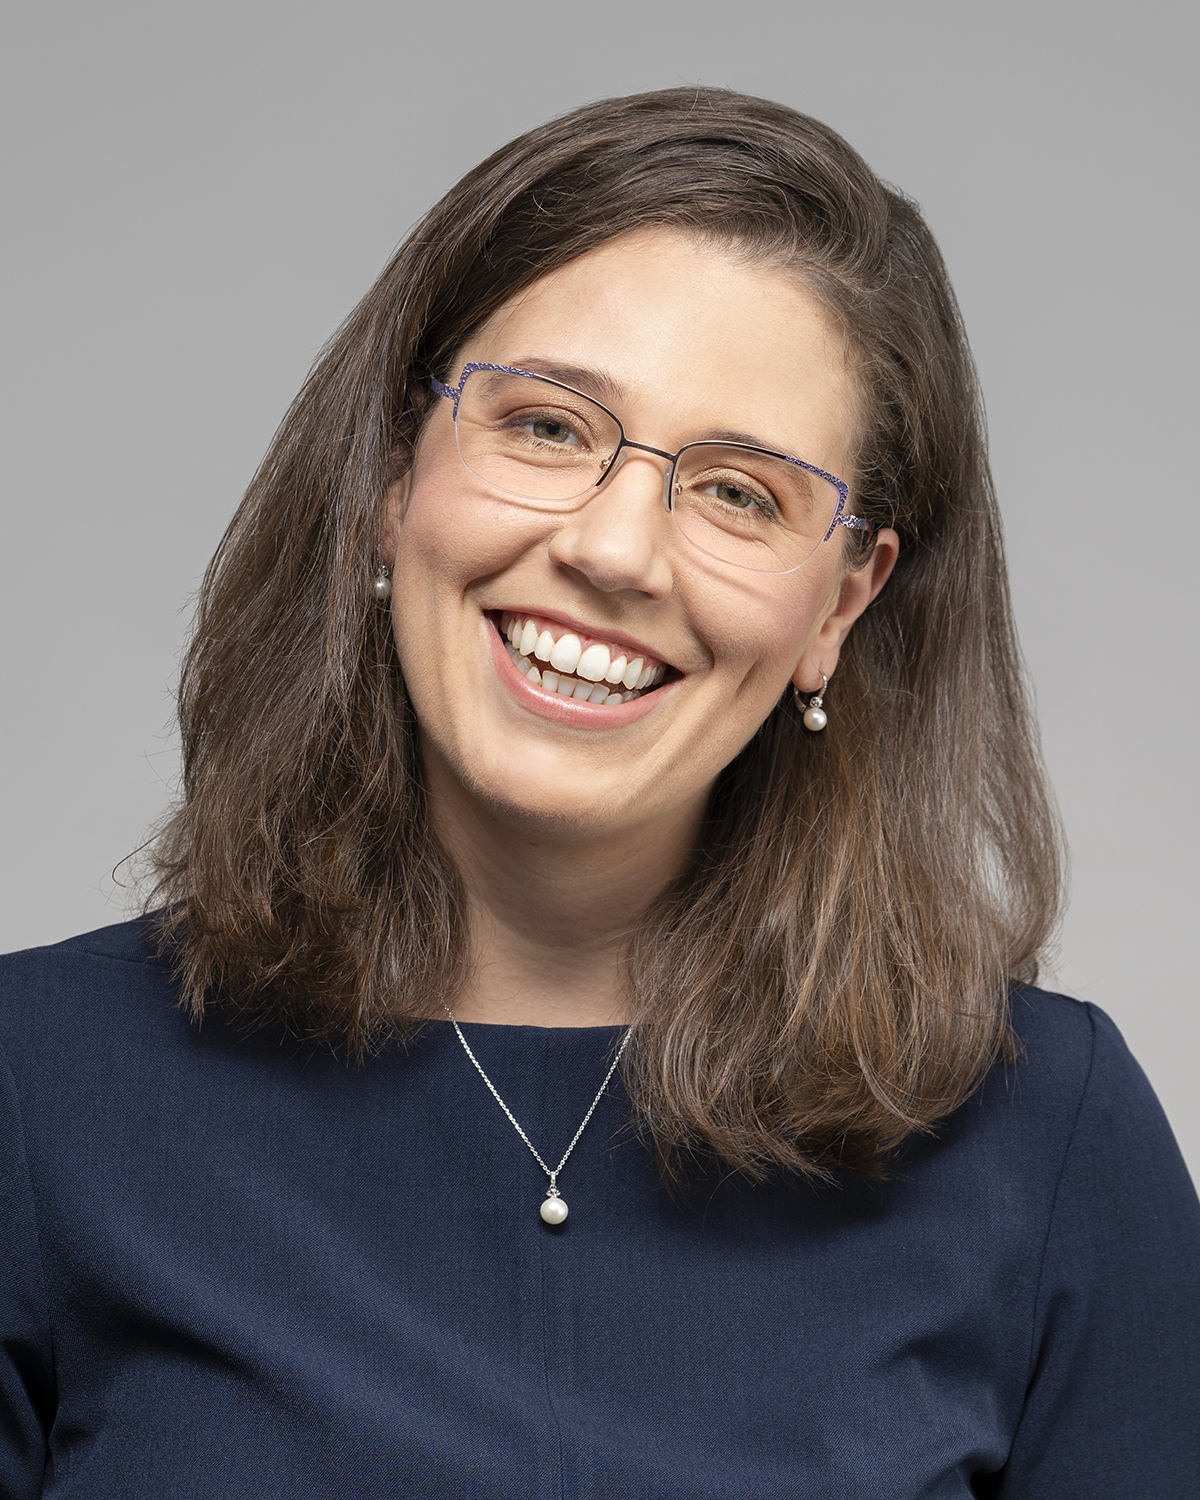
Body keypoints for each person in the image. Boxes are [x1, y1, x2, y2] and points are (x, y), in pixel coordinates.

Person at [1, 86, 1197, 1498]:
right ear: (390, 472)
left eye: (741, 492)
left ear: (840, 604)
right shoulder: (35, 1085)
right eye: (550, 428)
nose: (617, 551)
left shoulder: (1050, 1142)